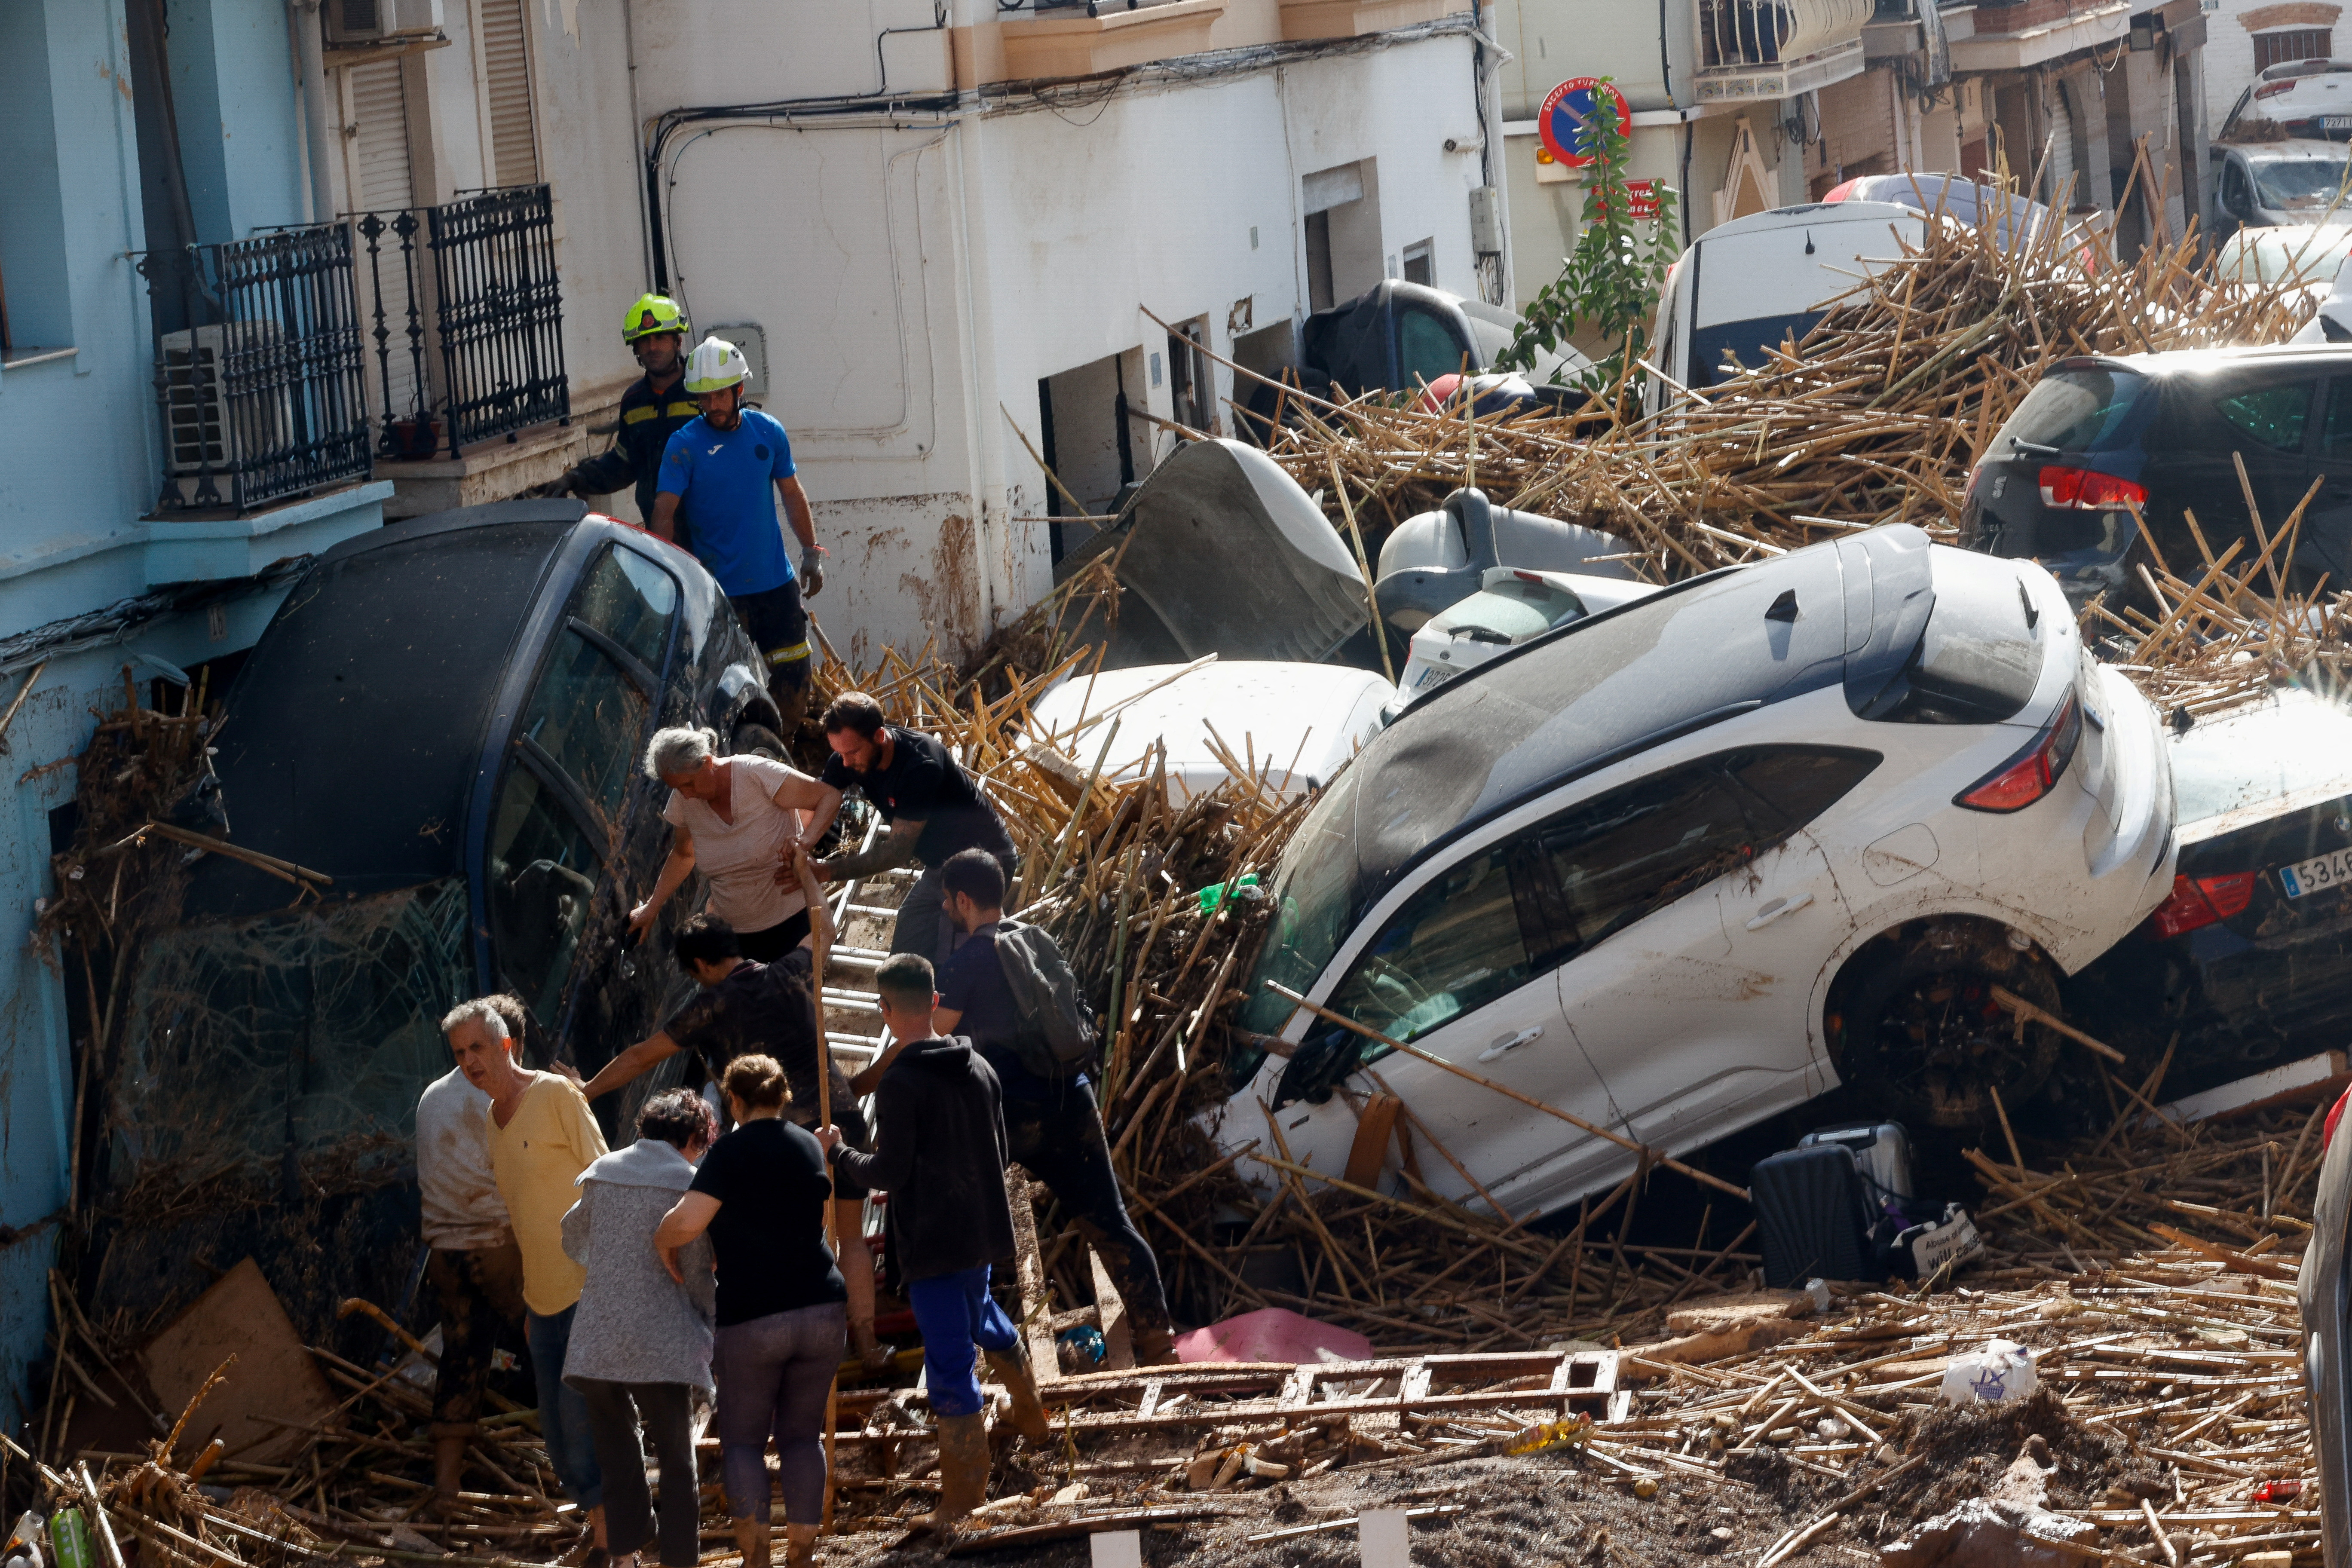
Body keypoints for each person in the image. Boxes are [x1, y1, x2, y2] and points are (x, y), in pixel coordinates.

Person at [578, 910, 887, 1371]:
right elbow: (823, 928)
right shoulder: (787, 970)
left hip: (785, 1140)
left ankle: (819, 1352)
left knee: (800, 1242)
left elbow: (641, 1057)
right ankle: (866, 1342)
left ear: (701, 966)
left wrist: (584, 1091)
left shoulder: (711, 1005)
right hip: (842, 1118)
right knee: (851, 1238)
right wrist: (806, 873)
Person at [818, 955, 1050, 1536]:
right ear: (936, 997)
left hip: (934, 1242)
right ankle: (1032, 1414)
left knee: (949, 1362)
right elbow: (998, 1153)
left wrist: (839, 1153)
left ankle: (963, 1497)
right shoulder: (978, 1065)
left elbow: (890, 1172)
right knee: (984, 1317)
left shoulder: (900, 1083)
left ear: (887, 1012)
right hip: (980, 1231)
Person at [930, 848, 1178, 1366]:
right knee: (1111, 1222)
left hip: (1013, 1116)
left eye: (948, 903)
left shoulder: (966, 962)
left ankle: (970, 1354)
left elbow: (934, 1034)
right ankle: (1160, 1345)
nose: (947, 910)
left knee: (966, 1228)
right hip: (1073, 1096)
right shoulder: (1036, 939)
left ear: (963, 900)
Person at [653, 1056, 845, 1568]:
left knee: (742, 1442)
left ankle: (756, 1556)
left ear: (733, 1101)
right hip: (823, 1308)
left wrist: (663, 1239)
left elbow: (688, 1221)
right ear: (781, 1096)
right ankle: (802, 1554)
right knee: (802, 1437)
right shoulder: (809, 1144)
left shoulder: (729, 1153)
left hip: (753, 1317)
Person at [446, 998, 609, 1553]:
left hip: (587, 1289)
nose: (469, 1061)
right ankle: (609, 1531)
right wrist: (526, 1303)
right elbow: (523, 1217)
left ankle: (618, 1546)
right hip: (541, 1307)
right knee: (561, 1446)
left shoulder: (556, 1095)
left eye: (477, 1048)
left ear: (505, 1046)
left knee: (583, 1434)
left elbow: (605, 1178)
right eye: (459, 1053)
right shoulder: (492, 1123)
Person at [561, 1090, 717, 1568]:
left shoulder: (604, 1171)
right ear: (693, 1138)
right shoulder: (689, 1184)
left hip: (597, 1340)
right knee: (677, 1461)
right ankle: (679, 1562)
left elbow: (571, 1236)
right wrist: (708, 1322)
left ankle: (625, 1555)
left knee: (618, 1455)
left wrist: (614, 1266)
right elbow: (695, 1273)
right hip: (660, 1342)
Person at [653, 336, 825, 731]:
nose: (712, 406)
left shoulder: (768, 433)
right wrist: (669, 572)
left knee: (795, 678)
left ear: (739, 390)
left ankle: (784, 756)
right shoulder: (684, 446)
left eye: (720, 396)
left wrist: (811, 552)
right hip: (719, 594)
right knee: (722, 689)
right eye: (705, 398)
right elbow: (664, 511)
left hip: (776, 587)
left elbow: (792, 494)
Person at [802, 692, 1020, 971]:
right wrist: (801, 843)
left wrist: (827, 871)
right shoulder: (850, 757)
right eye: (839, 752)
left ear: (880, 737)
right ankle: (900, 1007)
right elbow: (820, 799)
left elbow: (897, 852)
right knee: (909, 935)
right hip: (941, 865)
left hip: (983, 862)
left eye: (852, 753)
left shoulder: (920, 765)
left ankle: (942, 1008)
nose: (845, 763)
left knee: (951, 959)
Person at [415, 995, 531, 1512]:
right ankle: (585, 1484)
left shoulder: (430, 1097)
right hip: (500, 1248)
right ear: (512, 1044)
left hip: (444, 1255)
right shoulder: (502, 1094)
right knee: (554, 1349)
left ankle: (446, 1490)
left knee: (459, 1362)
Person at [627, 726, 832, 961]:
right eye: (677, 788)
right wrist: (652, 907)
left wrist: (804, 844)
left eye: (689, 784)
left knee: (793, 995)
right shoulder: (684, 803)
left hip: (793, 923)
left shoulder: (755, 774)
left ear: (707, 762)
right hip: (735, 939)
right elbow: (684, 854)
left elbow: (827, 797)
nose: (685, 795)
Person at [551, 295, 701, 528]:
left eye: (660, 338)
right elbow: (623, 463)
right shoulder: (634, 402)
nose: (652, 347)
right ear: (636, 349)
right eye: (644, 341)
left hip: (708, 532)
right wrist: (577, 477)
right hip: (660, 532)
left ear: (678, 342)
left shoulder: (702, 391)